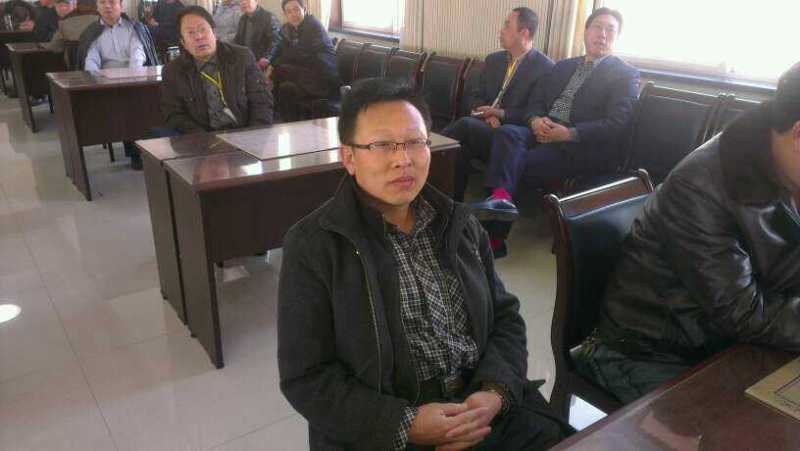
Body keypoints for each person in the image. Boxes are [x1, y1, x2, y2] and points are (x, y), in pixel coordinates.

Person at [278, 78, 571, 451]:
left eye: (416, 142)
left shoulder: (460, 224)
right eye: (382, 145)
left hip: (485, 405)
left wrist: (496, 391)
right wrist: (405, 425)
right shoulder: (314, 245)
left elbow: (505, 317)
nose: (403, 160)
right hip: (386, 428)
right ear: (349, 158)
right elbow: (306, 378)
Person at [574, 62, 800, 404]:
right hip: (647, 353)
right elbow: (743, 313)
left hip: (723, 341)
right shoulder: (701, 186)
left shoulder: (783, 164)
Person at [473, 7, 639, 232]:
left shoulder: (625, 74)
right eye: (597, 27)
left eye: (610, 30)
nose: (603, 35)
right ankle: (500, 199)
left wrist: (569, 133)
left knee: (516, 161)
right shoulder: (563, 66)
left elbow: (618, 123)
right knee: (508, 132)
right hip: (544, 129)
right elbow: (537, 101)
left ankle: (493, 231)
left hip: (578, 144)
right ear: (586, 32)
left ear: (617, 37)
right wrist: (535, 120)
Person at [442, 7, 554, 202]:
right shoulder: (494, 60)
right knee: (461, 148)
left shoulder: (545, 68)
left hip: (512, 135)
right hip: (486, 126)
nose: (501, 30)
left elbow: (534, 112)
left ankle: (428, 154)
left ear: (524, 33)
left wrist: (500, 114)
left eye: (507, 25)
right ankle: (452, 201)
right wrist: (488, 115)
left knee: (463, 127)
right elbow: (474, 96)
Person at [159, 6, 273, 134]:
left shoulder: (242, 57)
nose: (199, 37)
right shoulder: (172, 71)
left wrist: (253, 136)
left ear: (214, 33)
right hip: (201, 139)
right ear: (183, 43)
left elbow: (262, 102)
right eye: (190, 33)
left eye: (202, 29)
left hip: (245, 134)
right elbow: (173, 114)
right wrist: (203, 139)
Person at [77, 0, 159, 169]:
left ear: (121, 6)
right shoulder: (91, 32)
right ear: (97, 7)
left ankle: (146, 148)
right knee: (121, 108)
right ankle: (133, 151)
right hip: (106, 84)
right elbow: (91, 59)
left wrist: (131, 80)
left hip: (136, 79)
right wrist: (94, 81)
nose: (107, 6)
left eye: (112, 2)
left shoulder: (134, 27)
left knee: (138, 104)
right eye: (102, 2)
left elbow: (138, 54)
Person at [269, 0, 340, 122]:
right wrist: (271, 64)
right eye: (289, 11)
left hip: (322, 78)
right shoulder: (288, 28)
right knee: (286, 88)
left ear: (304, 9)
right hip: (304, 76)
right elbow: (278, 50)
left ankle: (271, 114)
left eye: (296, 9)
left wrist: (272, 67)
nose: (293, 14)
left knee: (280, 70)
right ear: (285, 14)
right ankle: (286, 124)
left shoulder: (312, 25)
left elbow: (296, 54)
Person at [234, 0, 280, 73]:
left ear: (256, 1)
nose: (244, 3)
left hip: (262, 63)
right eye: (241, 1)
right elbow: (238, 40)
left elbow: (276, 41)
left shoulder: (269, 17)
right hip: (246, 61)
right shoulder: (243, 19)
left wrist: (267, 58)